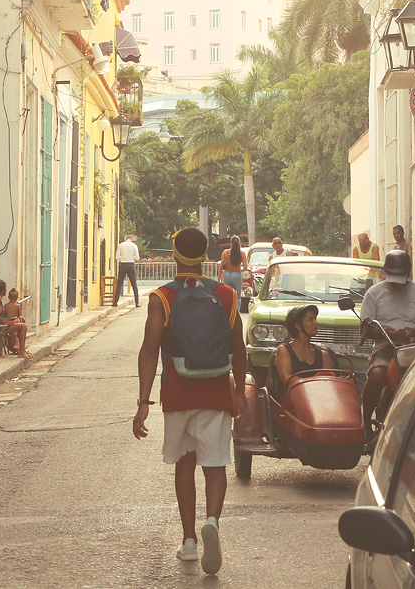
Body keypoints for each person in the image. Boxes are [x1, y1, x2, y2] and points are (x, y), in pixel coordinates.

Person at [134, 227, 247, 575]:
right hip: (217, 391)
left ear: (174, 255)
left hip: (178, 394)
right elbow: (239, 347)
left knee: (185, 465)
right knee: (215, 465)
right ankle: (212, 521)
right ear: (206, 256)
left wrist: (143, 402)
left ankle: (188, 542)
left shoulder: (162, 297)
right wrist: (239, 392)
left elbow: (149, 350)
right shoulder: (226, 294)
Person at [359, 249, 415, 437]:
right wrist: (385, 332)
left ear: (409, 273)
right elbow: (365, 329)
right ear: (385, 272)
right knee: (377, 375)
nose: (397, 285)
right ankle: (365, 422)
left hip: (413, 347)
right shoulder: (374, 294)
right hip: (385, 346)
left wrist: (414, 332)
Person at [274, 304, 338, 390]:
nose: (316, 323)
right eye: (310, 319)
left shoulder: (324, 355)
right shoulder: (284, 350)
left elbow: (330, 383)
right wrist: (314, 385)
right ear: (298, 326)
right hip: (293, 397)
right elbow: (287, 379)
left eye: (315, 319)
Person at [2, 286, 33, 359]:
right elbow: (19, 315)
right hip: (15, 320)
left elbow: (4, 314)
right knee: (19, 328)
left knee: (14, 331)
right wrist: (21, 318)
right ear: (17, 298)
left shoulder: (6, 306)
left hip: (9, 321)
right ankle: (17, 343)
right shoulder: (17, 306)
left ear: (8, 297)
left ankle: (15, 344)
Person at [115, 234, 141, 307]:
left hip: (123, 265)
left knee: (119, 284)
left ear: (125, 239)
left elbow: (117, 257)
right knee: (134, 284)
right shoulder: (134, 246)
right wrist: (131, 257)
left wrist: (123, 257)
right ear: (131, 239)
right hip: (131, 265)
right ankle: (137, 302)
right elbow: (137, 258)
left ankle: (115, 302)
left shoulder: (121, 245)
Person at [218, 235, 247, 301]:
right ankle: (237, 307)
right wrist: (241, 267)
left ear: (230, 243)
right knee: (238, 297)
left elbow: (221, 266)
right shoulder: (242, 253)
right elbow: (245, 267)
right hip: (237, 274)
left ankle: (228, 307)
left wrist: (219, 278)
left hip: (227, 274)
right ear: (239, 243)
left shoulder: (225, 252)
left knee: (226, 296)